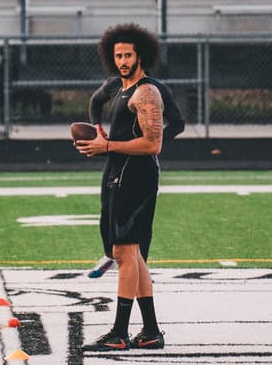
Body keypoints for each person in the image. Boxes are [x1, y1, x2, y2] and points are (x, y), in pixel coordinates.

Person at [75, 23, 167, 351]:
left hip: (137, 177)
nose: (123, 60)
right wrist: (100, 142)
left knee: (125, 253)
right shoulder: (122, 89)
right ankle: (151, 331)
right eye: (118, 55)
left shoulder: (146, 92)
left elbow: (153, 144)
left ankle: (119, 333)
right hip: (121, 174)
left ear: (140, 55)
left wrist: (107, 146)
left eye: (128, 54)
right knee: (131, 254)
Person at [86, 75, 184, 278]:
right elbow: (95, 101)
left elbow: (177, 123)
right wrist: (97, 128)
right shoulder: (115, 84)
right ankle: (109, 255)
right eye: (119, 54)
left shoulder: (155, 89)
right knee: (107, 212)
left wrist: (153, 138)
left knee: (141, 219)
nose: (123, 60)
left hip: (141, 162)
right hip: (116, 159)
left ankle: (141, 267)